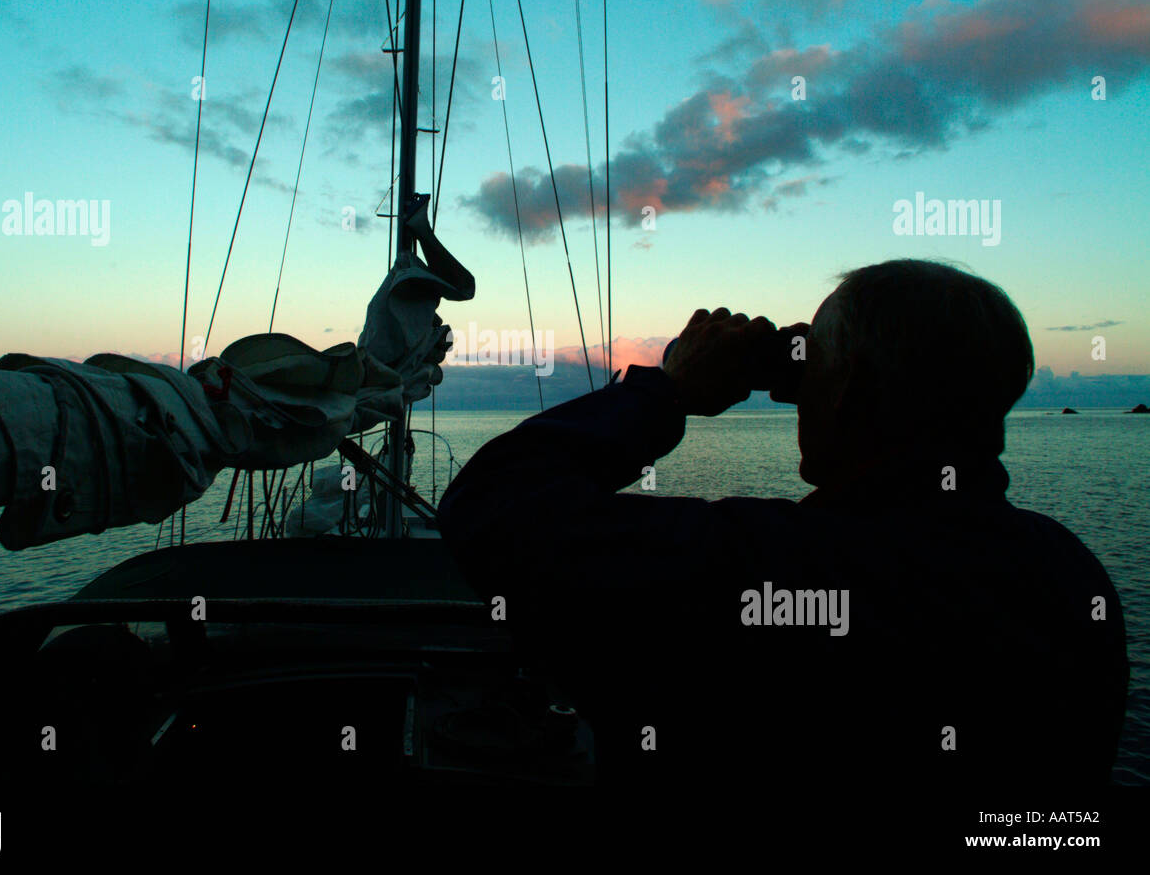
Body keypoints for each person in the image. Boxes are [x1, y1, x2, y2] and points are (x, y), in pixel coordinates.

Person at [437, 259, 1127, 797]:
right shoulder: (1070, 577)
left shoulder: (759, 567)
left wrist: (667, 390)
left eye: (813, 362)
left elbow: (491, 505)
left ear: (849, 389)